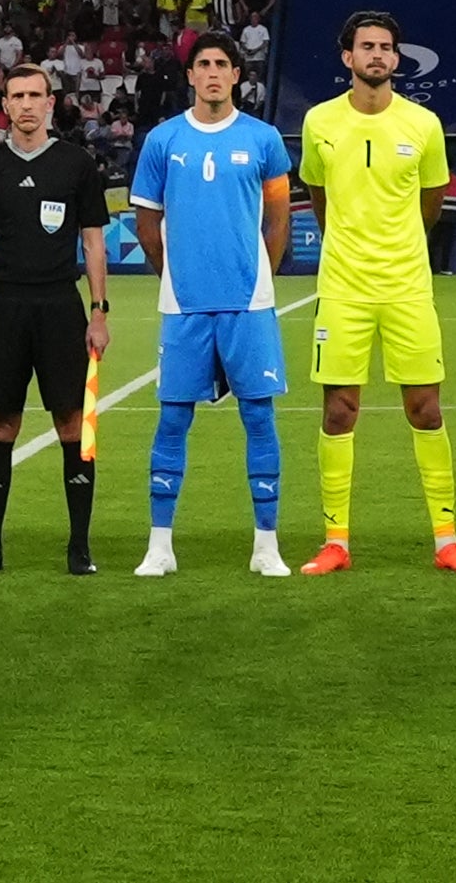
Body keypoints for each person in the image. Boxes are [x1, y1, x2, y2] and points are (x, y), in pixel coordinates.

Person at [291, 7, 456, 574]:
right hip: (343, 288)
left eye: (386, 47)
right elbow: (318, 198)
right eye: (366, 46)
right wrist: (350, 247)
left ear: (397, 59)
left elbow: (431, 202)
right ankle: (335, 542)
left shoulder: (423, 125)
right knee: (340, 411)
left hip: (407, 289)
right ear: (348, 58)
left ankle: (447, 540)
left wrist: (399, 250)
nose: (377, 55)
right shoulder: (319, 121)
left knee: (425, 409)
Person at [125, 37, 293, 578]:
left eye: (223, 65)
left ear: (237, 75)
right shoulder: (163, 139)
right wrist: (173, 276)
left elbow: (279, 218)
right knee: (173, 419)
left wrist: (257, 275)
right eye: (204, 65)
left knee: (259, 417)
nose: (214, 73)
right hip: (185, 305)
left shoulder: (263, 138)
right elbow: (146, 222)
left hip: (249, 306)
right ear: (191, 76)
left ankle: (266, 546)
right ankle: (160, 545)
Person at [0, 63, 114, 576]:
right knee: (1, 423)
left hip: (61, 307)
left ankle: (79, 548)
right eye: (16, 95)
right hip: (5, 307)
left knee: (72, 424)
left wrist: (98, 311)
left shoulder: (76, 165)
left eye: (34, 95)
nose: (25, 104)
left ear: (50, 103)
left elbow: (93, 243)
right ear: (6, 106)